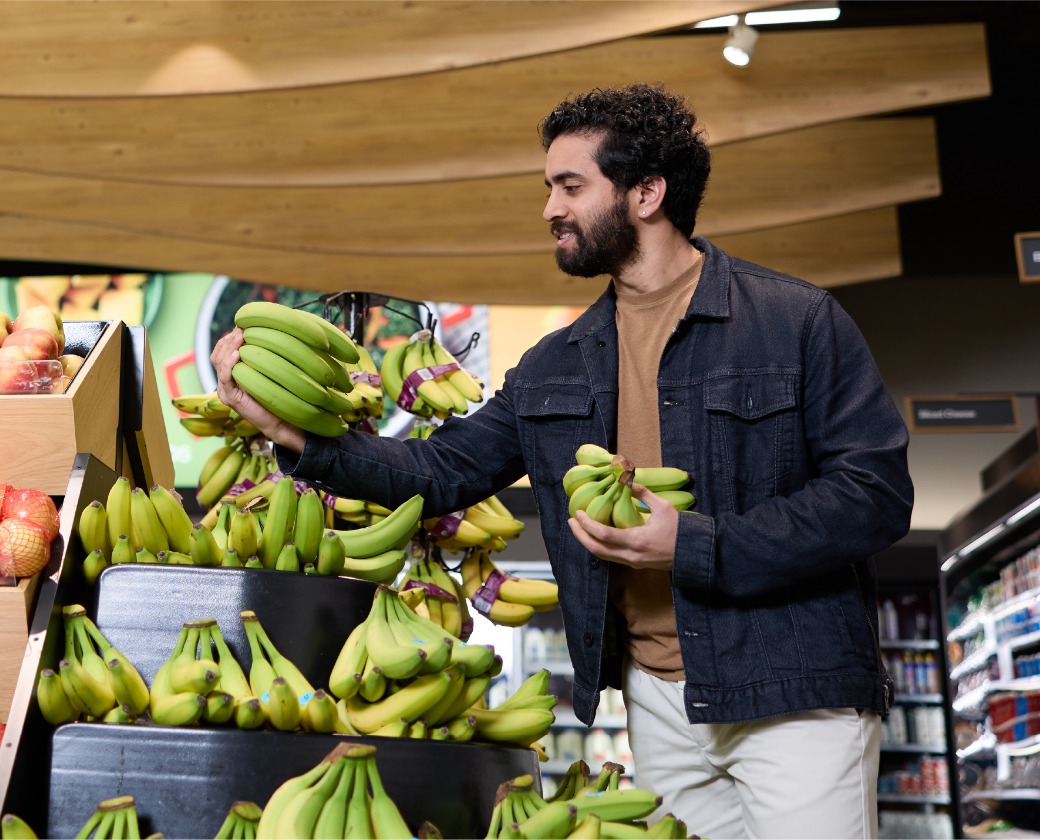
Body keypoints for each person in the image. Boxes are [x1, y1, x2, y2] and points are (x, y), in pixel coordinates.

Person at [211, 84, 912, 840]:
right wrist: (296, 436)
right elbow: (442, 471)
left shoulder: (795, 321)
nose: (549, 208)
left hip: (794, 694)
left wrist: (696, 543)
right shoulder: (557, 363)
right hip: (655, 703)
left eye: (570, 186)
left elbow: (873, 494)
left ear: (647, 193)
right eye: (549, 187)